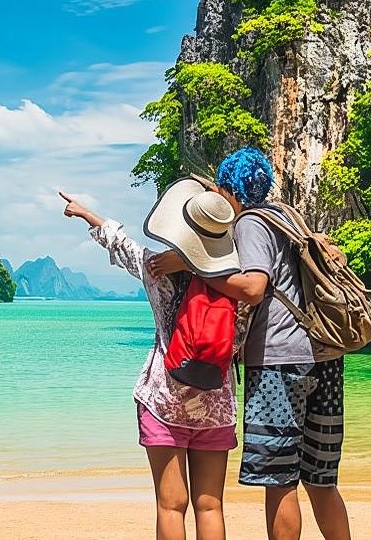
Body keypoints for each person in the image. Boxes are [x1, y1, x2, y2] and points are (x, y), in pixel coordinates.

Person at [150, 148, 352, 540]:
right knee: (320, 480)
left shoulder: (251, 225)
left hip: (279, 362)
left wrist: (195, 265)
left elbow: (254, 288)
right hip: (325, 358)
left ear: (229, 191)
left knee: (280, 480)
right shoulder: (289, 216)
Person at [60, 179, 241, 540]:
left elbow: (121, 244)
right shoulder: (237, 282)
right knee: (211, 505)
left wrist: (85, 214)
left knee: (170, 505)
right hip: (217, 402)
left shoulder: (156, 267)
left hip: (163, 396)